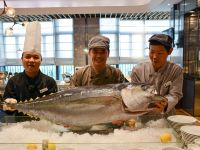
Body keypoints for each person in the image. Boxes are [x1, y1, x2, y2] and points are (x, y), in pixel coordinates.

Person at [1, 21, 57, 121]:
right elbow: (7, 110)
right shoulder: (13, 81)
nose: (31, 60)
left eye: (36, 57)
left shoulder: (49, 82)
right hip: (20, 126)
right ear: (22, 59)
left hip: (45, 126)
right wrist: (8, 105)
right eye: (27, 57)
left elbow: (55, 109)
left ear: (41, 60)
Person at [131, 34, 183, 114]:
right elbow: (135, 93)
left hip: (167, 115)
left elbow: (175, 95)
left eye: (160, 53)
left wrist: (165, 103)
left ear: (170, 51)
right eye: (152, 52)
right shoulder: (138, 70)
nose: (154, 57)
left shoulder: (176, 70)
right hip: (143, 114)